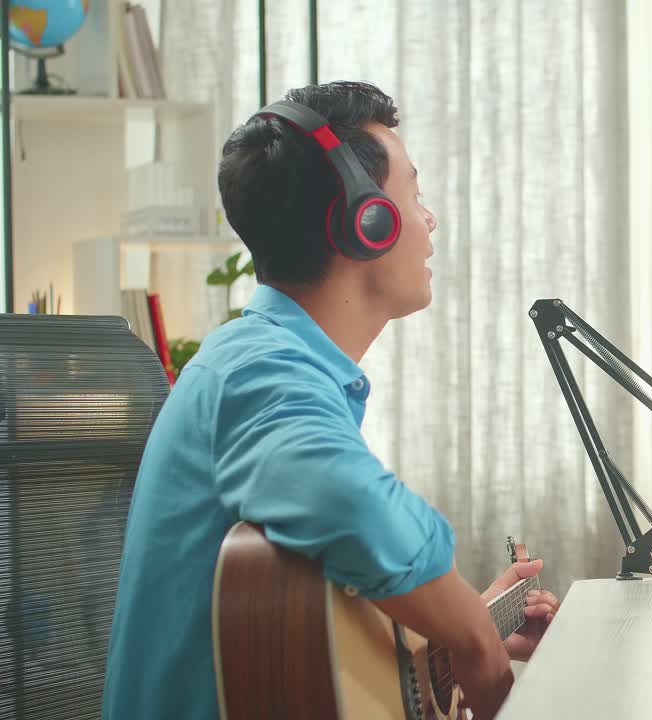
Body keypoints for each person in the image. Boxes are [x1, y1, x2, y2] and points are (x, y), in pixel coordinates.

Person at [103, 81, 558, 720]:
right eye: (416, 196)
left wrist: (458, 628)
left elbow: (304, 642)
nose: (430, 221)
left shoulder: (272, 363)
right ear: (365, 223)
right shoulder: (259, 372)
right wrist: (477, 645)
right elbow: (350, 504)